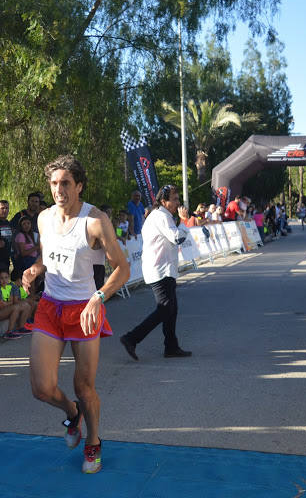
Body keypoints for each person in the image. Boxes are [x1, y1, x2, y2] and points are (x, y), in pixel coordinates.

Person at [22, 155, 130, 474]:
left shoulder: (94, 221)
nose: (59, 189)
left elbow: (122, 269)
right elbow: (48, 256)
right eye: (54, 183)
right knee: (41, 387)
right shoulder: (43, 219)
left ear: (79, 186)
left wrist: (98, 297)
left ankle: (93, 441)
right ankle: (72, 413)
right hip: (51, 306)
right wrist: (35, 270)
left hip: (85, 308)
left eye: (65, 183)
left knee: (84, 386)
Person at [120, 185, 192, 363]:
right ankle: (131, 338)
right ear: (163, 201)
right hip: (160, 269)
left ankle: (171, 346)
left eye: (177, 199)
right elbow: (177, 238)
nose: (177, 203)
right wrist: (184, 221)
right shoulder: (160, 216)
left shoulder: (163, 215)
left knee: (171, 309)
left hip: (165, 268)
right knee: (165, 309)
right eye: (174, 199)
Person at [0, 267, 32, 339]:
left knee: (27, 305)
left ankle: (21, 328)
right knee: (16, 307)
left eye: (6, 277)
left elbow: (13, 302)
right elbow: (1, 306)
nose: (4, 280)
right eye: (1, 278)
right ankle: (9, 332)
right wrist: (10, 302)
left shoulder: (11, 286)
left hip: (6, 309)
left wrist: (9, 302)